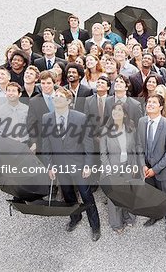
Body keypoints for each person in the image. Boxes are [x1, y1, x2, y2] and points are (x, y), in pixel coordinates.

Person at [43, 87, 101, 242]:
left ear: (68, 101)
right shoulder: (46, 118)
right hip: (60, 166)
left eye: (60, 96)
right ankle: (75, 217)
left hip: (79, 165)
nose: (56, 98)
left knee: (86, 196)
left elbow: (88, 144)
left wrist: (88, 165)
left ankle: (95, 226)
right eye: (55, 96)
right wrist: (49, 165)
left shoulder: (80, 118)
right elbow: (46, 144)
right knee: (68, 195)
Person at [137, 94, 166, 241]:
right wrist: (143, 165)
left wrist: (155, 169)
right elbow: (139, 145)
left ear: (161, 107)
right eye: (148, 102)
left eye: (154, 102)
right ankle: (155, 215)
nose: (150, 104)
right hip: (146, 169)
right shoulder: (141, 122)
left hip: (163, 170)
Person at [100, 102, 137, 233]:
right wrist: (108, 169)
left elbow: (133, 148)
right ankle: (116, 224)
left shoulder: (131, 127)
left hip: (127, 165)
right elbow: (103, 153)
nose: (116, 113)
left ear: (125, 114)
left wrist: (134, 165)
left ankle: (129, 218)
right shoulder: (106, 130)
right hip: (113, 167)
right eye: (114, 110)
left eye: (119, 110)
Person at [84, 75, 111, 183]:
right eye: (98, 82)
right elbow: (86, 119)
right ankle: (94, 181)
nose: (99, 84)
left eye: (102, 83)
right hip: (94, 137)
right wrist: (95, 136)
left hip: (109, 136)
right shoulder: (88, 100)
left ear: (108, 87)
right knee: (95, 159)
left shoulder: (112, 100)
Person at [26, 71, 56, 163]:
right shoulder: (34, 101)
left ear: (54, 83)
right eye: (43, 83)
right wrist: (34, 142)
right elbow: (31, 124)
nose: (45, 86)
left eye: (49, 83)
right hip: (43, 142)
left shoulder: (62, 95)